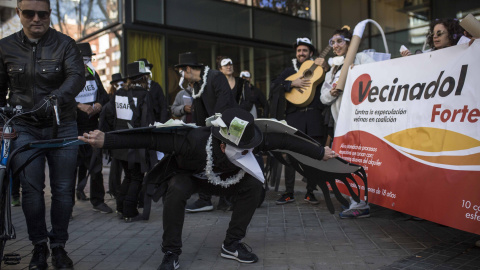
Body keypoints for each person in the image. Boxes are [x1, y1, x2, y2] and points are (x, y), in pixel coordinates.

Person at [79, 107, 339, 270]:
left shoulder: (252, 138)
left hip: (231, 179)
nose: (250, 151)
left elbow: (285, 140)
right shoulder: (192, 141)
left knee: (254, 187)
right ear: (223, 144)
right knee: (177, 189)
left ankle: (232, 244)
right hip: (192, 177)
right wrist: (107, 140)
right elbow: (150, 137)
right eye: (242, 149)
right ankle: (171, 252)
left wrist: (319, 151)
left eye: (251, 147)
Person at [0, 0, 85, 269]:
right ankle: (38, 247)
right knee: (32, 191)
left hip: (64, 125)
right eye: (29, 13)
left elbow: (77, 76)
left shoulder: (66, 44)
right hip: (24, 127)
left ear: (49, 14)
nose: (36, 18)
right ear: (19, 14)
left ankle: (59, 247)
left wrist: (56, 97)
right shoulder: (5, 47)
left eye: (43, 13)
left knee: (63, 190)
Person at [320, 26, 375, 219]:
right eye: (332, 42)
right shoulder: (332, 70)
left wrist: (358, 72)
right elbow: (323, 98)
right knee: (346, 164)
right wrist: (332, 92)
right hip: (341, 127)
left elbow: (377, 77)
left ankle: (362, 203)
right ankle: (355, 201)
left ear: (350, 43)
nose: (335, 45)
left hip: (361, 124)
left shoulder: (361, 59)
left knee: (361, 164)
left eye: (339, 41)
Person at [176, 52, 236, 213]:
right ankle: (204, 199)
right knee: (201, 158)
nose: (181, 75)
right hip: (211, 128)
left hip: (225, 127)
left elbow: (224, 104)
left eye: (181, 71)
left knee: (224, 163)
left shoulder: (215, 77)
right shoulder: (197, 85)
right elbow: (199, 113)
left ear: (188, 69)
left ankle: (226, 199)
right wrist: (197, 132)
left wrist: (214, 126)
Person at [271, 37, 328, 205]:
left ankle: (310, 192)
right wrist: (291, 83)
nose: (301, 53)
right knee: (290, 156)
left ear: (311, 52)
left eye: (304, 50)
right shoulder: (290, 71)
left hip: (314, 118)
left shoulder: (320, 70)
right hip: (294, 117)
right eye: (298, 51)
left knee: (314, 156)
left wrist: (326, 67)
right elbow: (274, 86)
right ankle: (289, 192)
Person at [101, 61, 156, 222]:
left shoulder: (118, 94)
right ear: (143, 77)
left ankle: (121, 207)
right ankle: (130, 212)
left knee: (128, 176)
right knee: (137, 177)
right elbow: (148, 121)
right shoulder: (144, 95)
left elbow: (108, 114)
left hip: (119, 142)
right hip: (136, 143)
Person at [73, 42, 112, 214]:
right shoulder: (68, 75)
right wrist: (79, 106)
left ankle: (98, 201)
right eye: (83, 59)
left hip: (91, 127)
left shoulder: (92, 73)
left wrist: (98, 104)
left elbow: (104, 96)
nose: (86, 62)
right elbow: (59, 98)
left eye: (88, 59)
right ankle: (67, 206)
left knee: (95, 168)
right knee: (69, 169)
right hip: (72, 128)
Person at [105, 73, 125, 199]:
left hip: (118, 131)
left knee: (118, 162)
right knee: (116, 163)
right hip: (114, 132)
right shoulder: (110, 97)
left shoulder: (122, 94)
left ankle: (116, 187)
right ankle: (114, 187)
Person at [137, 58, 169, 123]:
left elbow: (163, 106)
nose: (146, 75)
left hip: (155, 123)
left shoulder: (155, 86)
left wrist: (162, 123)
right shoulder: (134, 88)